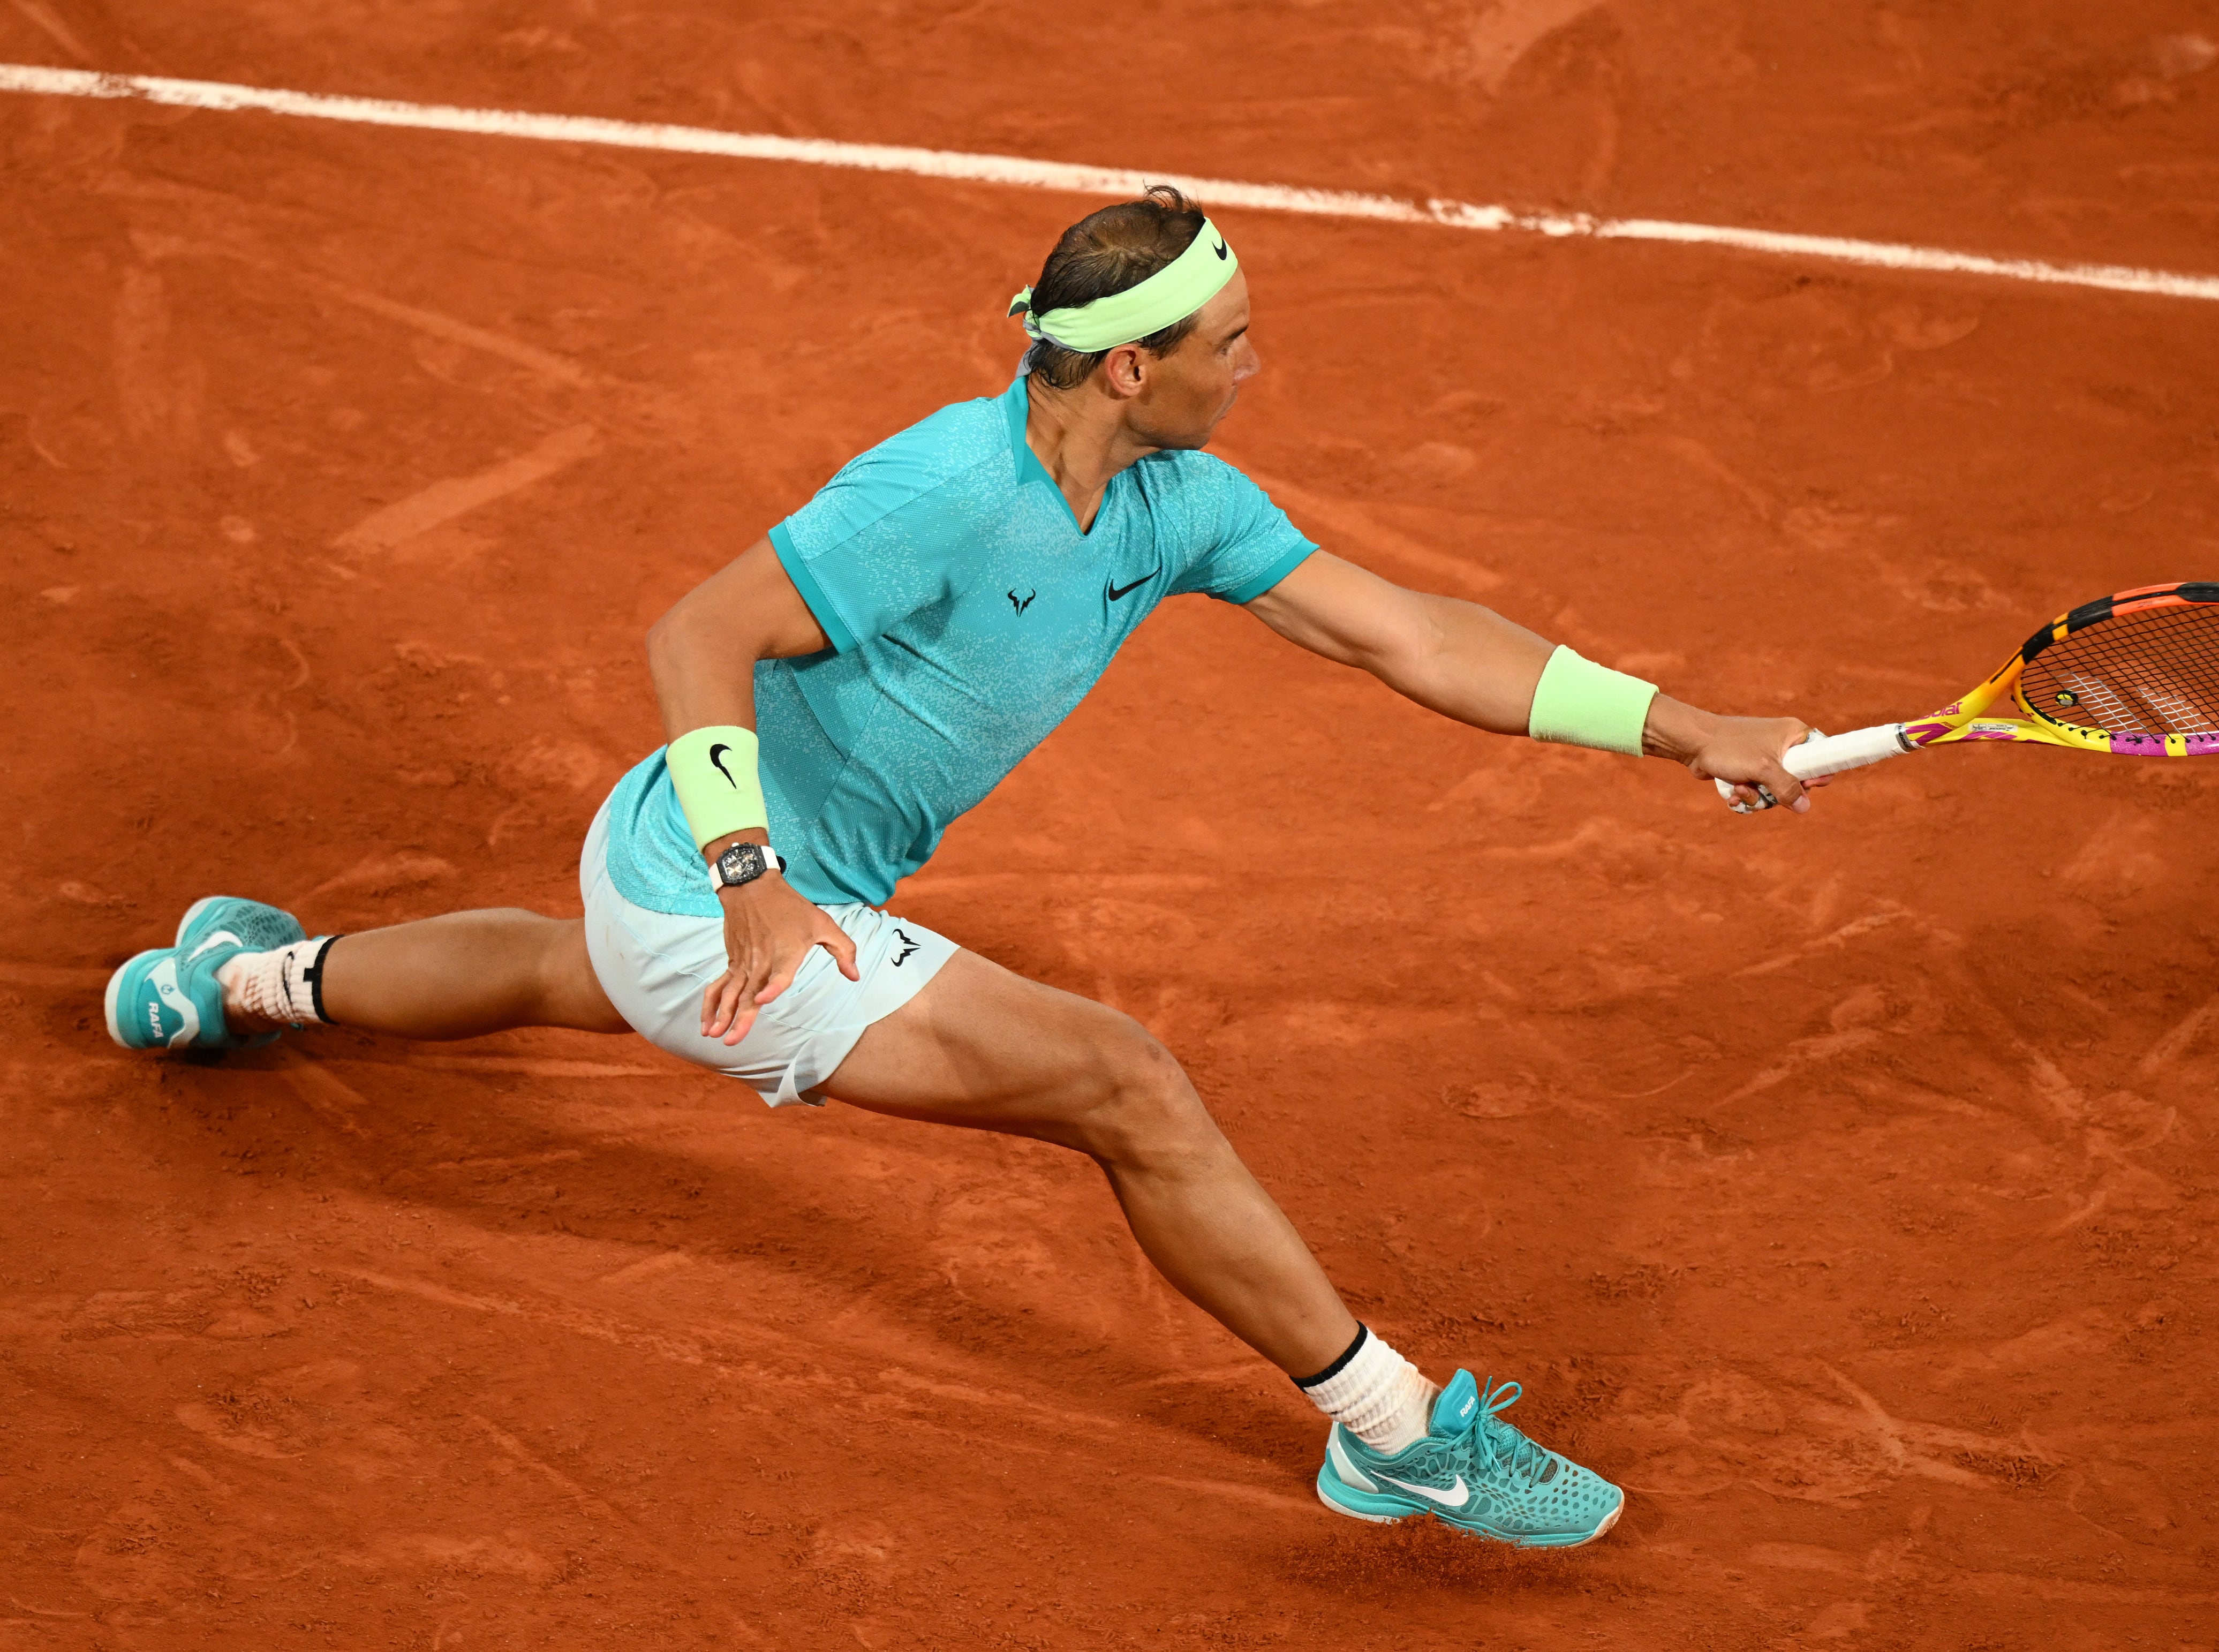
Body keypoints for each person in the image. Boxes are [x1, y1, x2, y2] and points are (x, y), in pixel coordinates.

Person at [104, 186, 1820, 1549]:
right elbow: (696, 631)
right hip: (731, 885)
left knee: (582, 974)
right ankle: (1390, 1438)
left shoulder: (1181, 505)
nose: (1255, 365)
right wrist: (753, 874)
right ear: (1132, 370)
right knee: (1124, 1085)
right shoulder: (937, 488)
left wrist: (1680, 725)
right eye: (1235, 342)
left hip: (660, 872)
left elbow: (1412, 638)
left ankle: (232, 981)